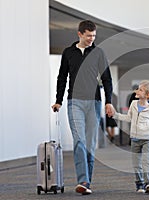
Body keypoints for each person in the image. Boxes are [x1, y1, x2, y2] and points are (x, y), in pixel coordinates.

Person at [51, 20, 114, 195]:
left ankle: (87, 182)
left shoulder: (98, 53)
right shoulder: (68, 53)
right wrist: (59, 100)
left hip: (94, 102)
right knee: (79, 141)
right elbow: (62, 77)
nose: (91, 39)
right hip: (74, 102)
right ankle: (83, 181)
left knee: (90, 144)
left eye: (94, 36)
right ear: (80, 34)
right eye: (88, 36)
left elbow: (107, 78)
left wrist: (108, 101)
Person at [113, 80, 149, 194]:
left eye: (140, 89)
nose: (137, 91)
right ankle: (140, 184)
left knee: (146, 161)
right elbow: (129, 118)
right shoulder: (133, 104)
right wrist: (115, 115)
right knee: (136, 163)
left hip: (147, 138)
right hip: (134, 138)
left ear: (147, 95)